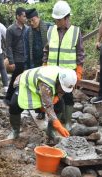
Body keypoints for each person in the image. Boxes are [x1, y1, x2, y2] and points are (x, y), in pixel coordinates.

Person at [42, 0, 85, 131]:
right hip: (52, 71)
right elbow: (46, 50)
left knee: (68, 96)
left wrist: (79, 70)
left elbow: (80, 53)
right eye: (55, 19)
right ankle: (56, 121)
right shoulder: (50, 31)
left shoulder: (76, 32)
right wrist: (44, 64)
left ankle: (68, 121)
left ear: (67, 18)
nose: (56, 22)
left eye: (59, 19)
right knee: (54, 95)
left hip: (68, 72)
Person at [7, 66, 77, 139]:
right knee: (14, 105)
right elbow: (48, 106)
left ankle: (50, 131)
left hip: (43, 87)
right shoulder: (46, 82)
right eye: (62, 88)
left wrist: (58, 96)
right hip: (26, 83)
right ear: (58, 80)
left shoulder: (67, 77)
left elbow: (64, 89)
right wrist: (58, 125)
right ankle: (15, 131)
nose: (63, 90)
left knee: (59, 106)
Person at [25, 8, 52, 119]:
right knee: (37, 89)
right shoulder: (27, 32)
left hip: (48, 62)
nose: (32, 23)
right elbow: (27, 51)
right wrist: (27, 68)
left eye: (33, 20)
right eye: (29, 21)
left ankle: (53, 110)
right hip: (34, 64)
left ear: (38, 17)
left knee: (49, 88)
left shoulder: (49, 28)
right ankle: (40, 111)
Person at [5, 7, 28, 102]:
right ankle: (8, 97)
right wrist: (11, 61)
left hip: (26, 58)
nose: (25, 18)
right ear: (18, 16)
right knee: (15, 78)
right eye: (23, 16)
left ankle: (22, 98)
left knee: (25, 79)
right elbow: (8, 46)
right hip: (17, 58)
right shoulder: (11, 29)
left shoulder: (27, 28)